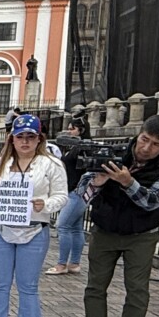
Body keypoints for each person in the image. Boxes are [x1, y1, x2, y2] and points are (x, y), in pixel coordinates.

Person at [75, 114, 159, 317]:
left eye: (156, 144)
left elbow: (152, 201)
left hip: (142, 233)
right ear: (139, 133)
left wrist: (128, 182)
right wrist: (97, 183)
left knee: (137, 288)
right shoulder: (113, 153)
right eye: (144, 139)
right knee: (96, 284)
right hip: (105, 228)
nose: (146, 147)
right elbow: (81, 192)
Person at [0, 114, 68, 317]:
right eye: (20, 137)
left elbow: (61, 195)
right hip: (2, 229)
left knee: (28, 285)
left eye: (31, 136)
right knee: (0, 284)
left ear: (40, 139)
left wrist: (45, 204)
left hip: (34, 229)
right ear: (12, 139)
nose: (25, 142)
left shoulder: (51, 165)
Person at [48, 116, 93, 276]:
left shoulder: (83, 147)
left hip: (76, 191)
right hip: (74, 191)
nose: (69, 131)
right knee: (75, 228)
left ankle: (62, 264)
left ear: (81, 130)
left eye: (72, 128)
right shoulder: (77, 146)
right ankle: (74, 263)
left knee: (63, 226)